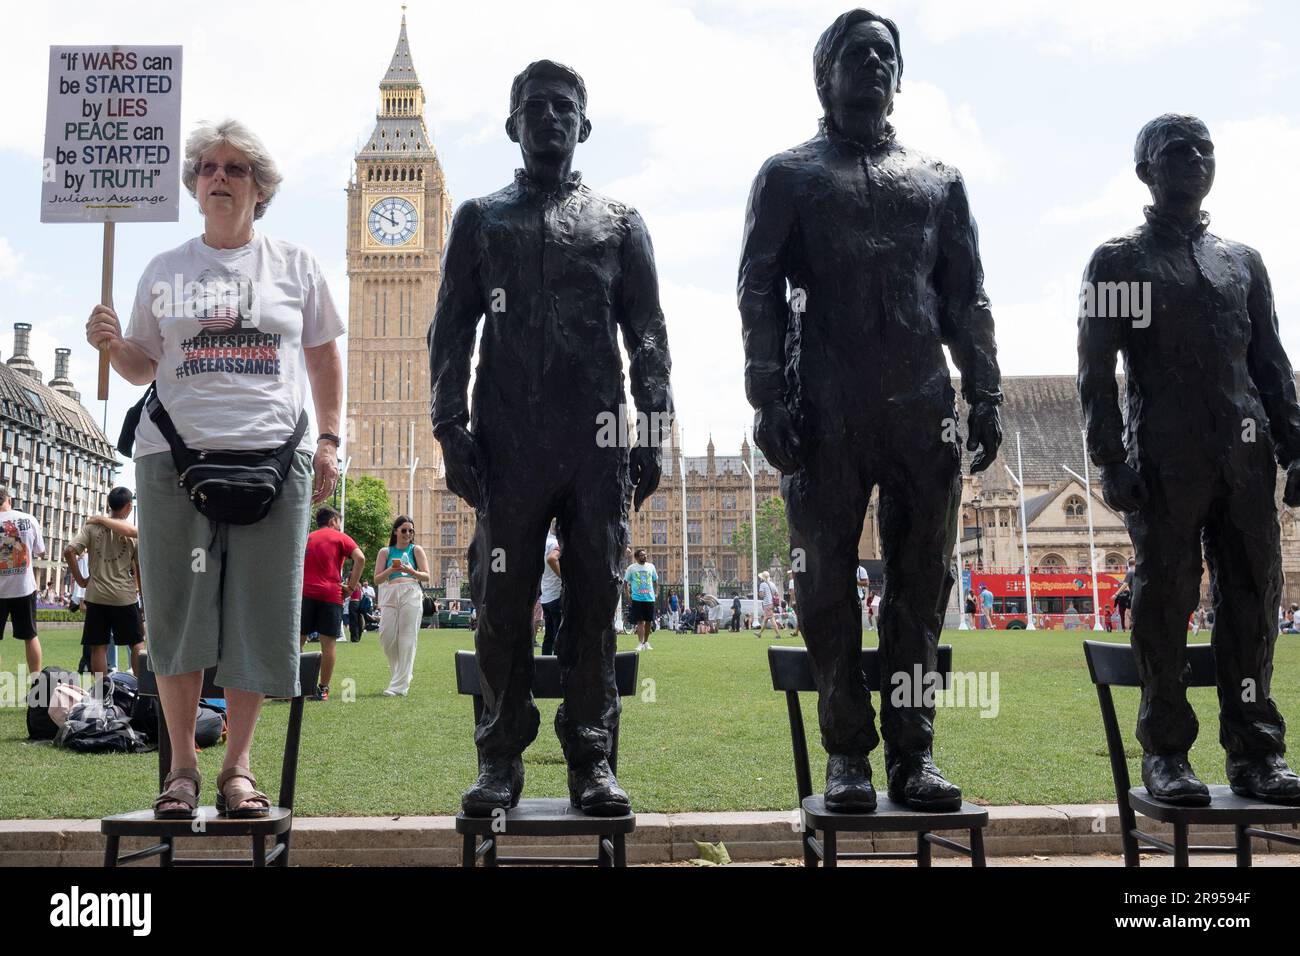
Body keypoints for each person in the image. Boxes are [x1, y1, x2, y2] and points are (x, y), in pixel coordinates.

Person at [430, 60, 671, 818]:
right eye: (534, 106)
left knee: (597, 596)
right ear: (512, 124)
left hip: (597, 441)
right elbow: (449, 330)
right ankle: (499, 756)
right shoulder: (480, 218)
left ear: (585, 126)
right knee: (501, 600)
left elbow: (650, 336)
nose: (550, 117)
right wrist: (448, 426)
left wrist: (654, 430)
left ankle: (592, 756)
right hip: (507, 441)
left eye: (565, 107)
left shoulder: (620, 222)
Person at [86, 118, 344, 818]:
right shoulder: (165, 269)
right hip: (174, 462)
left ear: (260, 188)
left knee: (259, 617)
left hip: (274, 460)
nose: (219, 176)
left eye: (235, 168)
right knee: (177, 615)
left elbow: (321, 355)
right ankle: (179, 771)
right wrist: (114, 347)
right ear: (195, 186)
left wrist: (328, 439)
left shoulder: (295, 266)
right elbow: (144, 362)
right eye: (207, 168)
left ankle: (238, 769)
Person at [1079, 112, 1300, 804]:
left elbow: (1271, 364)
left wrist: (1296, 446)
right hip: (1164, 460)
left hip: (1244, 461)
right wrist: (1111, 462)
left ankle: (1256, 749)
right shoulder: (1119, 262)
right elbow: (1094, 372)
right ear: (1146, 170)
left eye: (1205, 149)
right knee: (1165, 596)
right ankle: (1167, 750)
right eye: (1178, 151)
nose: (1195, 159)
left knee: (1253, 598)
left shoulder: (1243, 262)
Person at [65, 487, 144, 678]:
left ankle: (100, 694)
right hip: (124, 596)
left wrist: (82, 580)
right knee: (137, 645)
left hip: (96, 596)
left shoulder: (91, 528)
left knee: (98, 648)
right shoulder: (133, 535)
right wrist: (139, 591)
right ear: (129, 506)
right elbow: (139, 567)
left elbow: (69, 551)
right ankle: (143, 692)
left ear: (109, 504)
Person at [300, 506, 365, 701]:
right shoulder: (340, 537)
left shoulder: (307, 537)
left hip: (306, 593)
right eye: (338, 521)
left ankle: (294, 686)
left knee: (297, 642)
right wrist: (351, 587)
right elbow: (360, 558)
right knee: (328, 644)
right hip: (331, 594)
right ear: (332, 521)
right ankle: (322, 689)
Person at [374, 515, 429, 697]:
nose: (407, 533)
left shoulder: (416, 550)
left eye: (411, 530)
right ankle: (401, 675)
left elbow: (426, 576)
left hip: (411, 592)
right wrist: (393, 569)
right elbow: (377, 578)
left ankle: (399, 686)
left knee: (407, 638)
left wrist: (410, 571)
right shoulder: (385, 552)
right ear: (396, 531)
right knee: (387, 637)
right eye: (404, 530)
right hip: (390, 593)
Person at [0, 486, 45, 675]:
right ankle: (37, 682)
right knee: (30, 636)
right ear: (8, 500)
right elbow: (40, 551)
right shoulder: (28, 519)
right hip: (24, 588)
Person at [625, 549, 659, 651]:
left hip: (649, 598)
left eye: (645, 555)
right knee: (640, 621)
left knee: (648, 621)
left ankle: (646, 642)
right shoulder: (631, 568)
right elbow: (625, 582)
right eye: (642, 555)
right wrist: (628, 595)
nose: (645, 557)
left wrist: (656, 593)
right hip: (637, 598)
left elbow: (656, 581)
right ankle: (640, 642)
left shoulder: (651, 566)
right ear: (636, 557)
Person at [539, 530, 563, 655]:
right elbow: (551, 559)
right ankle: (558, 668)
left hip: (545, 597)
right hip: (556, 595)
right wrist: (563, 577)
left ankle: (545, 666)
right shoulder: (555, 543)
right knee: (560, 636)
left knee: (548, 637)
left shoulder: (540, 544)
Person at [755, 570, 784, 639]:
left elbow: (761, 595)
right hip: (772, 603)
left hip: (767, 604)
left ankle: (778, 634)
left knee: (772, 619)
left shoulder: (762, 584)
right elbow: (776, 593)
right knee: (765, 620)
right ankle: (759, 633)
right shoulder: (772, 584)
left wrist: (760, 594)